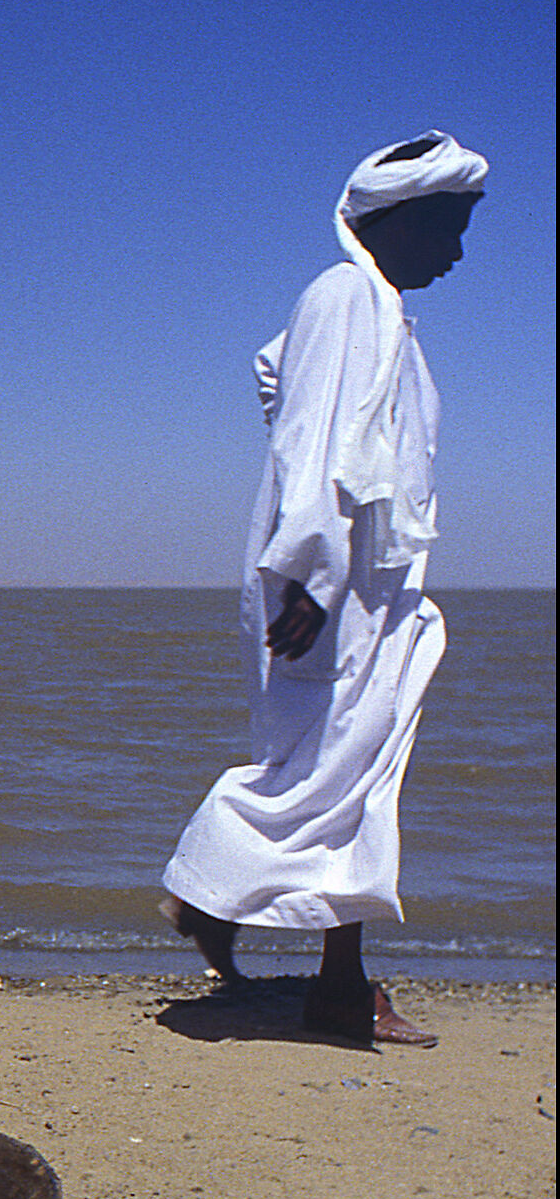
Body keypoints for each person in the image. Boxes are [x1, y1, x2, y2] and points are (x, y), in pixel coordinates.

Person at [161, 131, 487, 1048]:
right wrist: (305, 570)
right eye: (449, 229)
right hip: (327, 590)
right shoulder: (345, 297)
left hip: (363, 588)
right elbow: (308, 430)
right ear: (404, 219)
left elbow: (274, 371)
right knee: (324, 776)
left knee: (353, 774)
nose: (458, 253)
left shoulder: (372, 308)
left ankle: (262, 933)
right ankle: (251, 924)